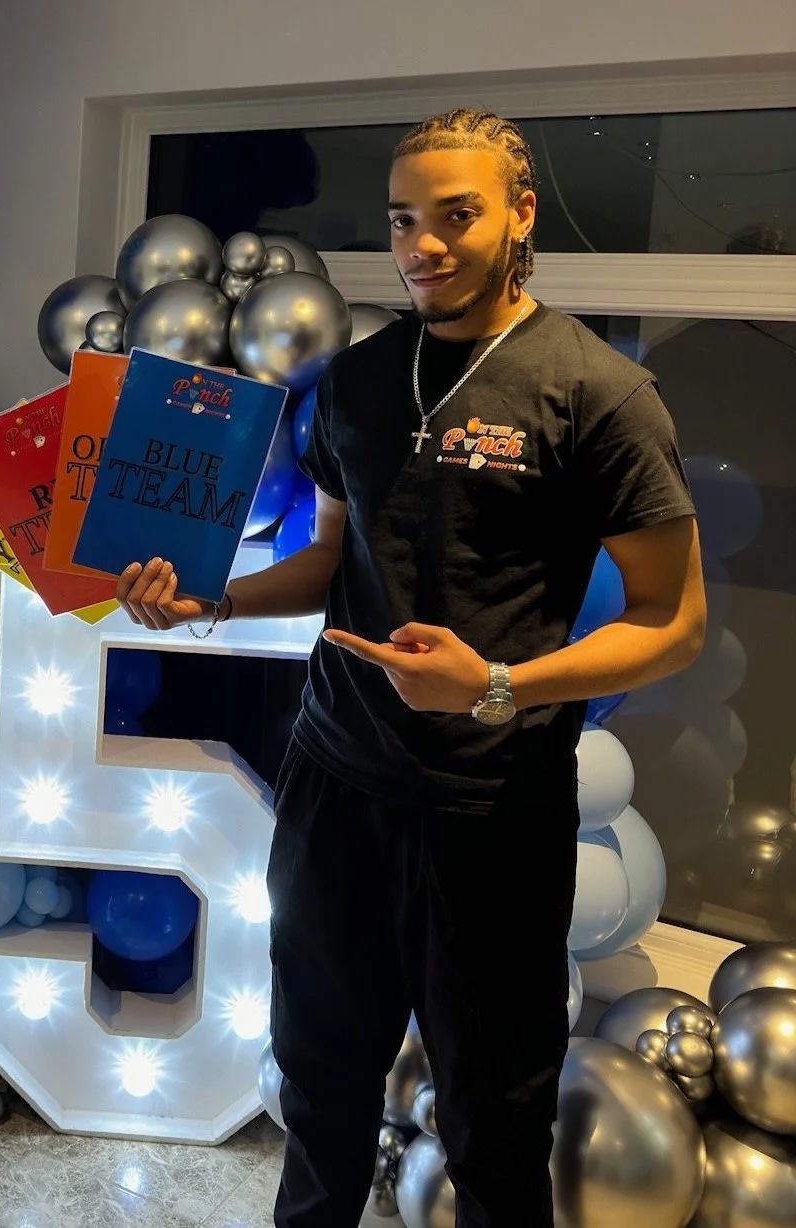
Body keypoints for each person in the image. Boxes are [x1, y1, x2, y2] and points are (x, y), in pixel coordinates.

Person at [116, 108, 706, 1228]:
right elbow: (331, 560)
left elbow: (670, 621)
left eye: (456, 215)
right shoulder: (359, 383)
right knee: (320, 1091)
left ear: (521, 215)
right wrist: (221, 598)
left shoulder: (599, 394)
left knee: (494, 1121)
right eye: (402, 219)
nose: (422, 243)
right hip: (336, 789)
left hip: (492, 811)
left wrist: (496, 686)